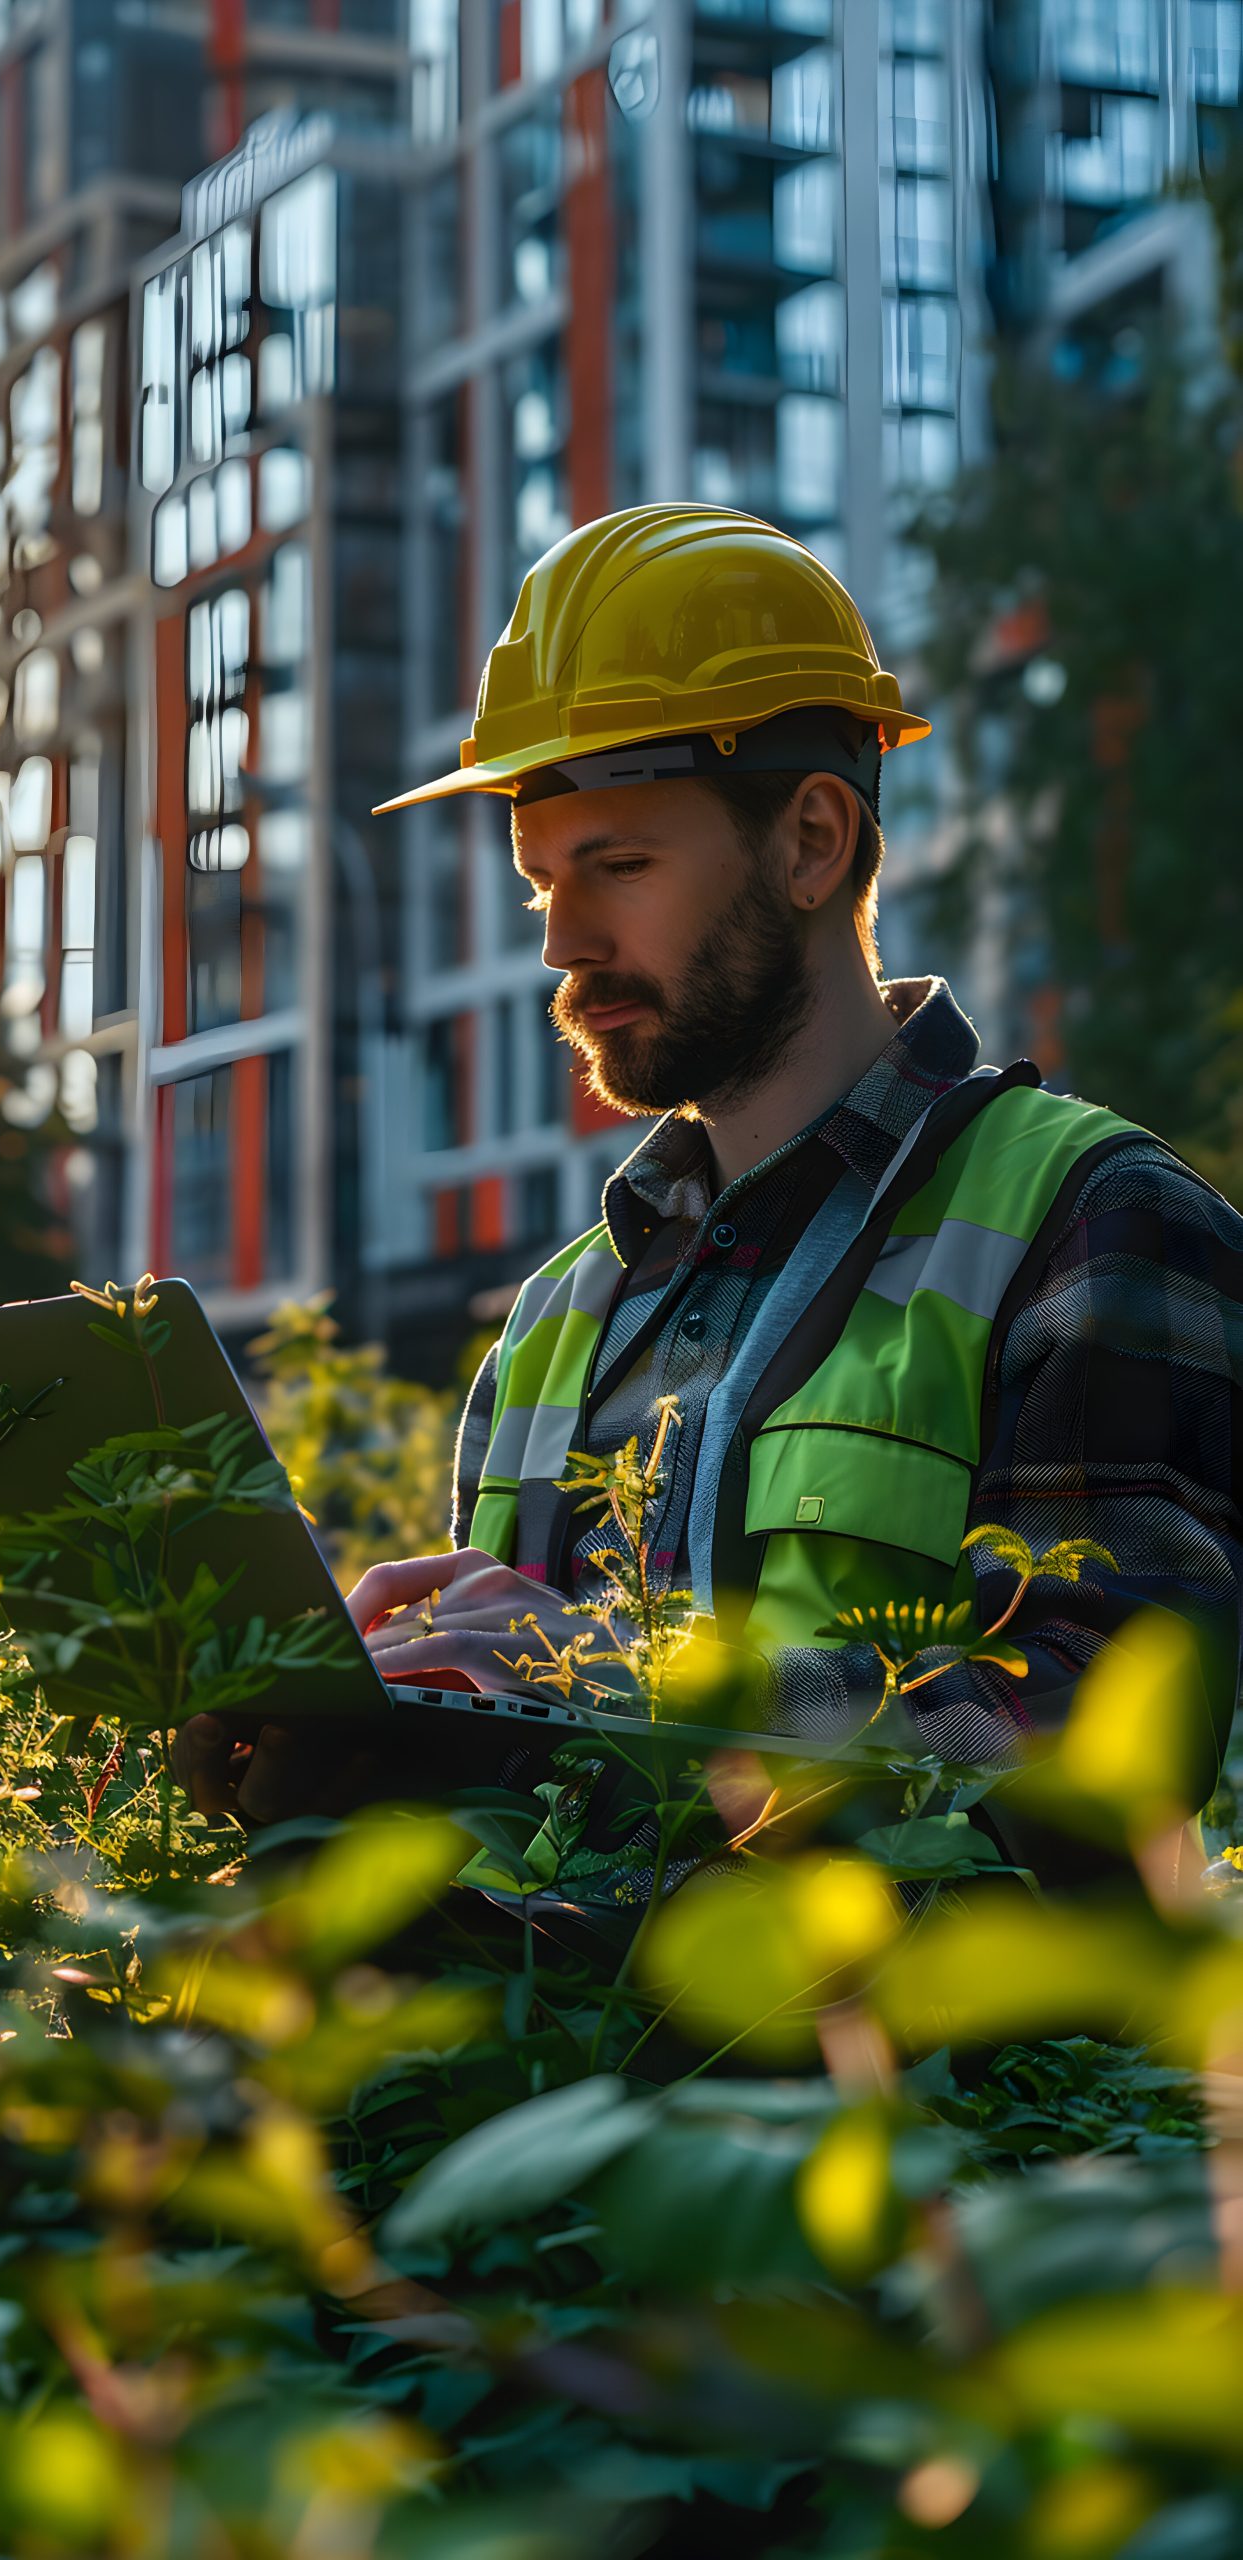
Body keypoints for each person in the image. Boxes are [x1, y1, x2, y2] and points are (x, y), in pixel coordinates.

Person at [175, 505, 1243, 1882]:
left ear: (811, 841)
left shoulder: (1095, 1225)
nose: (563, 942)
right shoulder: (552, 1321)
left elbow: (1103, 1752)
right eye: (542, 885)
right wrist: (359, 1757)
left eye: (619, 866)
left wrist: (624, 1687)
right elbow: (532, 1802)